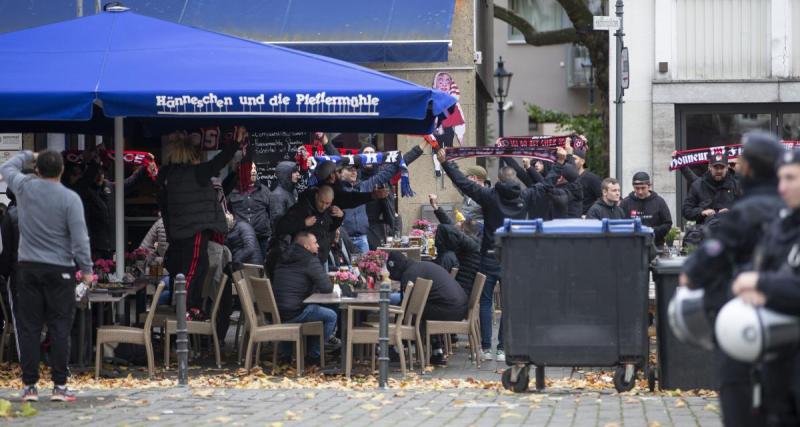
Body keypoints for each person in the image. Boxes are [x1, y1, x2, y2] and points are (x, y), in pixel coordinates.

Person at [680, 131, 785, 427]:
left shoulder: (744, 213)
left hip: (742, 326)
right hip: (785, 331)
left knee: (739, 403)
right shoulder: (787, 212)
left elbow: (699, 268)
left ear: (746, 168)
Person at [437, 149, 551, 362]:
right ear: (515, 178)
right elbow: (546, 185)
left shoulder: (489, 196)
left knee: (486, 301)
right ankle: (502, 348)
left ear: (498, 179)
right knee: (508, 303)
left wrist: (446, 163)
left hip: (489, 253)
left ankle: (486, 347)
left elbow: (464, 183)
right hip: (515, 257)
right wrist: (560, 163)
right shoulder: (525, 196)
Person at [0, 150, 93, 402]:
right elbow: (80, 238)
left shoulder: (24, 188)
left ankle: (30, 386)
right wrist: (86, 271)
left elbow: (7, 166)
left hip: (27, 268)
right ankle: (60, 386)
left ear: (38, 170)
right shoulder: (70, 198)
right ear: (62, 170)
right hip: (59, 269)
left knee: (29, 327)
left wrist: (29, 154)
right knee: (59, 327)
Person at [729, 148, 800, 426]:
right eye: (780, 178)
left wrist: (761, 284)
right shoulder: (781, 226)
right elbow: (759, 267)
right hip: (777, 357)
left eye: (791, 178)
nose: (782, 186)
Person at [157, 128, 244, 320]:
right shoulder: (196, 173)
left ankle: (192, 306)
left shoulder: (168, 176)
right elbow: (218, 162)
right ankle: (185, 309)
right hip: (196, 230)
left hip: (179, 232)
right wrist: (235, 144)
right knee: (195, 268)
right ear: (192, 155)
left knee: (197, 266)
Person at [336, 140, 425, 253]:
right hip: (347, 233)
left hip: (373, 229)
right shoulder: (348, 182)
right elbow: (337, 162)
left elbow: (399, 164)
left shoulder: (375, 179)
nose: (369, 157)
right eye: (366, 153)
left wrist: (421, 146)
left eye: (372, 154)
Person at [386, 251, 467, 366]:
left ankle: (397, 348)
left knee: (411, 311)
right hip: (459, 308)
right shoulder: (419, 267)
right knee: (419, 309)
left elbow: (407, 307)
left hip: (450, 310)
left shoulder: (409, 275)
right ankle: (436, 350)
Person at [271, 232, 340, 363]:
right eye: (315, 243)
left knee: (313, 307)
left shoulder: (283, 256)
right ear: (306, 246)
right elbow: (327, 288)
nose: (318, 245)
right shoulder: (309, 260)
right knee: (331, 315)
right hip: (295, 312)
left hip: (277, 311)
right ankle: (314, 355)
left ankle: (286, 354)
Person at [77, 155, 149, 259]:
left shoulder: (111, 187)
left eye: (101, 172)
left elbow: (131, 182)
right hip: (95, 248)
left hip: (114, 246)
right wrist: (94, 163)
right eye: (96, 173)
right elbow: (82, 184)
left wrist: (144, 167)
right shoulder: (86, 190)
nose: (99, 176)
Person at [270, 185, 343, 274]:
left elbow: (330, 228)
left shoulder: (329, 210)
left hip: (322, 259)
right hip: (303, 262)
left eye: (327, 203)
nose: (324, 206)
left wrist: (340, 217)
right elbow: (281, 227)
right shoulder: (301, 208)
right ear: (316, 196)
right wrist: (303, 223)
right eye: (321, 202)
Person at [429, 194, 481, 296]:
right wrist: (435, 206)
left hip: (459, 294)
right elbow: (451, 226)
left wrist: (450, 228)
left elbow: (450, 230)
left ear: (464, 231)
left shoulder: (471, 245)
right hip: (458, 293)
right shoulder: (471, 242)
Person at [682, 151, 741, 224]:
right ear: (710, 167)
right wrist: (702, 212)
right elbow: (686, 211)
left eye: (722, 167)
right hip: (705, 232)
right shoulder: (698, 185)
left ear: (727, 168)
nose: (719, 171)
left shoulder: (736, 185)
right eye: (715, 167)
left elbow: (748, 208)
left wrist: (731, 211)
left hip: (729, 231)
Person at [228, 163, 271, 260]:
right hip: (241, 240)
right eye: (250, 168)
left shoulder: (264, 191)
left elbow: (271, 213)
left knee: (261, 270)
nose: (254, 171)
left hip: (262, 238)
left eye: (255, 168)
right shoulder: (231, 192)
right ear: (241, 171)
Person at [620, 172, 673, 247]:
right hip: (631, 246)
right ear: (633, 187)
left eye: (643, 188)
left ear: (649, 186)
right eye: (637, 188)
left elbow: (668, 223)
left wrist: (651, 231)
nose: (640, 192)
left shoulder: (659, 202)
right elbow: (619, 224)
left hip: (655, 245)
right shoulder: (625, 203)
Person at [269, 161, 301, 229]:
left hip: (294, 231)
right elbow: (278, 224)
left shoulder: (293, 191)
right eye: (294, 172)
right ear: (285, 174)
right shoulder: (277, 196)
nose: (298, 174)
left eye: (297, 171)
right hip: (285, 236)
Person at [573, 149, 603, 215]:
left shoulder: (592, 179)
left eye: (574, 159)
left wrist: (591, 213)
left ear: (582, 161)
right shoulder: (566, 179)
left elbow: (601, 198)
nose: (571, 161)